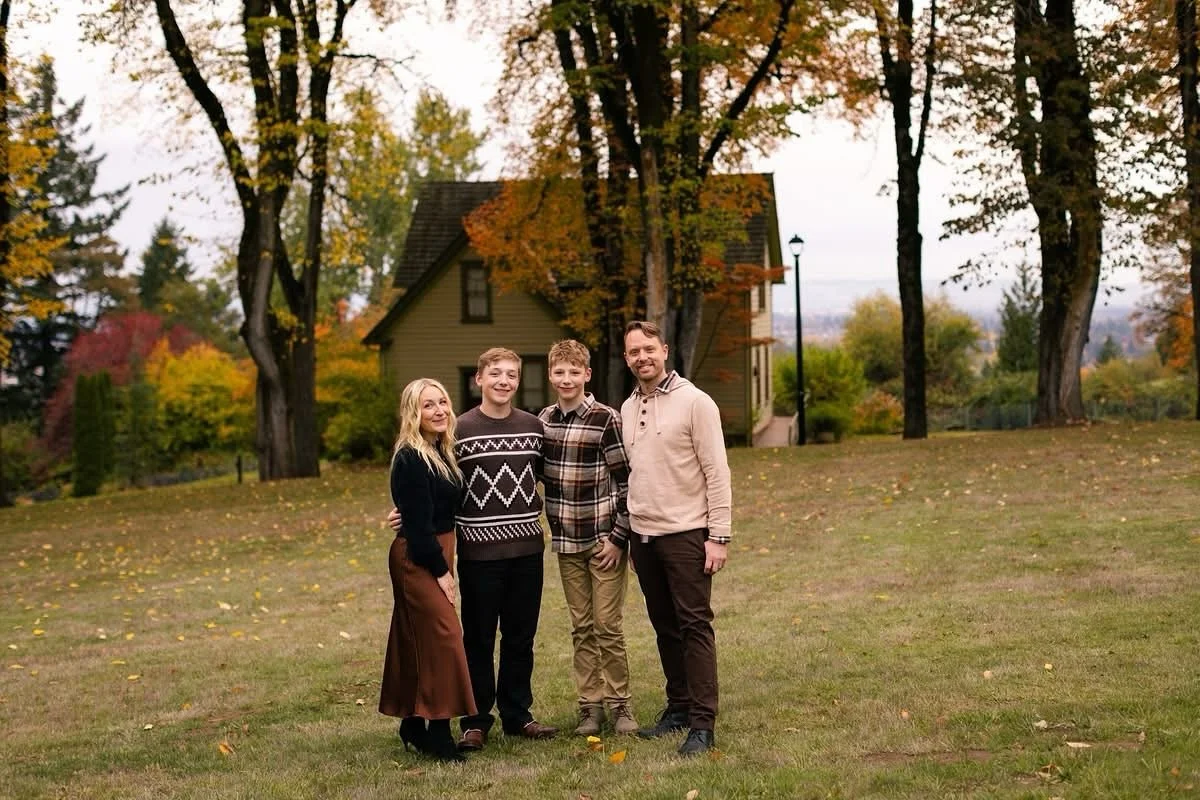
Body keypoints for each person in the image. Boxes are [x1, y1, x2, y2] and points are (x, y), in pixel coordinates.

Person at [388, 348, 558, 751]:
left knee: (521, 637)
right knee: (477, 639)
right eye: (495, 373)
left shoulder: (534, 428)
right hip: (478, 551)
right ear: (478, 379)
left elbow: (552, 477)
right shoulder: (457, 430)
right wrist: (406, 514)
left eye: (512, 374)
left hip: (527, 548)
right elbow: (430, 482)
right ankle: (476, 720)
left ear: (519, 380)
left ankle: (518, 714)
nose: (504, 381)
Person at [620, 320, 732, 756]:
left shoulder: (695, 402)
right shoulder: (628, 407)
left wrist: (718, 535)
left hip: (687, 533)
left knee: (694, 626)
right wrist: (633, 534)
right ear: (627, 358)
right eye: (634, 352)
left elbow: (717, 472)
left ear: (664, 350)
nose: (642, 357)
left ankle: (703, 723)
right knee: (665, 627)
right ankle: (679, 707)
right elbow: (635, 474)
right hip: (644, 537)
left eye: (649, 349)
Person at [538, 340, 639, 737]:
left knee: (607, 626)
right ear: (551, 376)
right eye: (560, 372)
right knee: (581, 627)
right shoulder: (544, 422)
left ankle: (621, 704)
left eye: (574, 372)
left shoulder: (605, 419)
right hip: (566, 543)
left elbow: (626, 482)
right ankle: (589, 707)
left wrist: (618, 537)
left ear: (587, 375)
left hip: (602, 542)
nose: (567, 379)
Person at [379, 378, 476, 763]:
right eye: (428, 405)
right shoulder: (410, 457)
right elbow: (419, 529)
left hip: (438, 548)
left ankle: (413, 724)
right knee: (444, 637)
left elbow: (435, 507)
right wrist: (442, 572)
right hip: (419, 558)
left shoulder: (441, 451)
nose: (438, 411)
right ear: (413, 413)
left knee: (416, 638)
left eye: (442, 402)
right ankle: (438, 733)